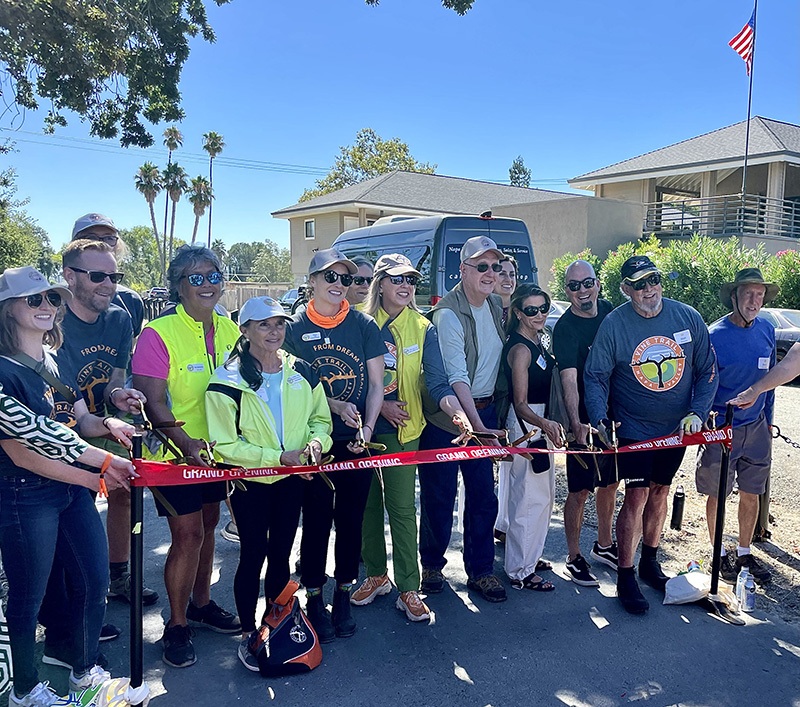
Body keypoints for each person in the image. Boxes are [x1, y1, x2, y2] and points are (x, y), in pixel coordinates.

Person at [0, 266, 138, 706]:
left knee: (94, 580)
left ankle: (83, 668)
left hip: (72, 490)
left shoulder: (56, 360)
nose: (47, 307)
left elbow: (77, 422)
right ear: (7, 310)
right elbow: (25, 448)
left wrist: (110, 423)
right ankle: (24, 689)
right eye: (34, 300)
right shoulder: (3, 372)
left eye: (52, 299)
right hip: (26, 494)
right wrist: (99, 472)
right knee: (28, 595)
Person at [205, 296, 332, 671]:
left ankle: (273, 626)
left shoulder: (303, 371)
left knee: (280, 554)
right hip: (250, 484)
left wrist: (315, 444)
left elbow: (321, 421)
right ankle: (248, 632)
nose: (274, 331)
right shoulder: (225, 380)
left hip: (292, 479)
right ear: (244, 330)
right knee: (253, 556)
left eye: (279, 323)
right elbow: (223, 446)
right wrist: (276, 458)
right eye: (263, 324)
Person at [585, 255, 717, 615]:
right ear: (626, 289)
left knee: (661, 490)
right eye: (639, 284)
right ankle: (625, 574)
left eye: (654, 279)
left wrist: (697, 412)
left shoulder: (687, 316)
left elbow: (707, 370)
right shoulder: (615, 325)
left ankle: (650, 561)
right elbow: (595, 375)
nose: (649, 289)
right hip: (633, 430)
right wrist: (599, 419)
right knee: (638, 493)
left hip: (675, 429)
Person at [132, 245, 242, 668]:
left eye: (214, 275)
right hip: (175, 455)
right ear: (179, 286)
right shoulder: (157, 333)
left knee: (210, 524)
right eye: (196, 278)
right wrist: (186, 445)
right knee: (189, 534)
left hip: (219, 451)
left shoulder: (232, 330)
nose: (208, 284)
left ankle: (201, 604)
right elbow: (153, 403)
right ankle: (176, 625)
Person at [354, 254, 470, 622]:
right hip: (361, 430)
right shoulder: (357, 321)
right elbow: (350, 378)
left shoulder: (424, 327)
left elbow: (436, 382)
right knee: (367, 507)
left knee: (402, 509)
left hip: (404, 433)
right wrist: (381, 405)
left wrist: (456, 412)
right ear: (380, 284)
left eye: (411, 280)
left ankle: (408, 587)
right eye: (397, 279)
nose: (406, 286)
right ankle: (376, 574)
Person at [282, 248, 384, 642]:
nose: (339, 285)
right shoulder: (291, 328)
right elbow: (291, 390)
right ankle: (313, 597)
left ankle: (343, 593)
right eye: (330, 277)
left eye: (345, 278)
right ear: (311, 281)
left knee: (351, 521)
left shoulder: (363, 325)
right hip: (314, 444)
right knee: (317, 522)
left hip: (356, 443)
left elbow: (376, 385)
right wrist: (332, 404)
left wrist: (369, 428)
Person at [59, 239, 157, 606]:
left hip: (105, 420)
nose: (109, 284)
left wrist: (119, 397)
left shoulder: (118, 318)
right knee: (75, 506)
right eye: (98, 275)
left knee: (125, 493)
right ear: (69, 276)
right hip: (66, 427)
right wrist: (102, 418)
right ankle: (76, 596)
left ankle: (119, 577)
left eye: (114, 276)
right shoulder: (53, 321)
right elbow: (72, 404)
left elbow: (116, 378)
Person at [418, 236, 508, 603]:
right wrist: (478, 429)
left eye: (495, 266)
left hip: (483, 411)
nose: (490, 273)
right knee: (440, 495)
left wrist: (490, 420)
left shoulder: (495, 306)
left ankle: (481, 571)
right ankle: (432, 565)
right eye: (481, 266)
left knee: (484, 497)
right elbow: (456, 377)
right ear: (463, 271)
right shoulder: (448, 314)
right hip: (448, 420)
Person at [696, 269, 776, 585]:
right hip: (721, 428)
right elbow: (702, 383)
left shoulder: (767, 330)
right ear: (734, 296)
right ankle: (718, 555)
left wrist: (768, 421)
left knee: (751, 492)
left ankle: (744, 552)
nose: (754, 301)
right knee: (717, 494)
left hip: (756, 427)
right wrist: (703, 421)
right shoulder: (714, 336)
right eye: (748, 294)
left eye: (760, 295)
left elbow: (770, 382)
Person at [552, 260, 619, 586]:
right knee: (580, 490)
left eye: (587, 283)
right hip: (584, 422)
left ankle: (604, 546)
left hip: (614, 417)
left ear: (597, 284)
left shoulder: (609, 310)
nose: (583, 291)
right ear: (567, 291)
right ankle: (574, 556)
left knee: (611, 483)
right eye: (575, 286)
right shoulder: (565, 329)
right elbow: (568, 379)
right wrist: (575, 423)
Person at [501, 284, 562, 591]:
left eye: (543, 308)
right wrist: (546, 425)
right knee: (529, 498)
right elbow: (520, 403)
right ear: (518, 313)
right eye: (531, 310)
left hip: (539, 423)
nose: (539, 315)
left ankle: (528, 557)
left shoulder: (537, 340)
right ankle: (520, 570)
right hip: (529, 426)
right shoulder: (521, 349)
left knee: (538, 495)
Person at [71, 213, 145, 338]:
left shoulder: (131, 301)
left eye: (109, 238)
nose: (102, 245)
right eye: (90, 238)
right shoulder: (53, 300)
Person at [493, 255, 518, 545]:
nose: (507, 279)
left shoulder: (523, 311)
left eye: (512, 273)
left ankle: (505, 524)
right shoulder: (487, 310)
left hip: (515, 396)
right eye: (502, 273)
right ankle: (491, 523)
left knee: (511, 466)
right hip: (490, 397)